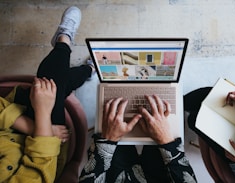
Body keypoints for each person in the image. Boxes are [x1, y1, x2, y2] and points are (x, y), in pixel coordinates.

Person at [0, 6, 94, 182]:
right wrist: (43, 115)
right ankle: (65, 43)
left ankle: (79, 59)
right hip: (45, 152)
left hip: (14, 120)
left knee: (51, 82)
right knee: (53, 82)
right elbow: (39, 170)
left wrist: (30, 125)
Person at [79, 95, 197, 183]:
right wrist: (165, 140)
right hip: (163, 177)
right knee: (160, 120)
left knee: (113, 120)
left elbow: (89, 178)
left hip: (115, 176)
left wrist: (108, 140)